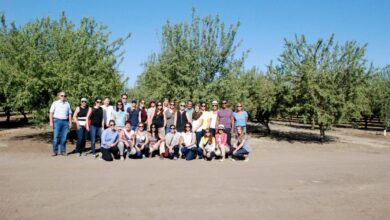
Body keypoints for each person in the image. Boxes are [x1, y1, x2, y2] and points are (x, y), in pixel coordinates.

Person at [49, 91, 72, 156]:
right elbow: (51, 112)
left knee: (64, 138)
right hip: (57, 121)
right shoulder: (55, 103)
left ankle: (63, 151)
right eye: (62, 95)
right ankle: (55, 151)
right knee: (56, 137)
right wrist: (51, 121)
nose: (63, 97)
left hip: (65, 122)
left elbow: (70, 113)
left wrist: (70, 122)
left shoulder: (67, 104)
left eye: (64, 96)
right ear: (59, 96)